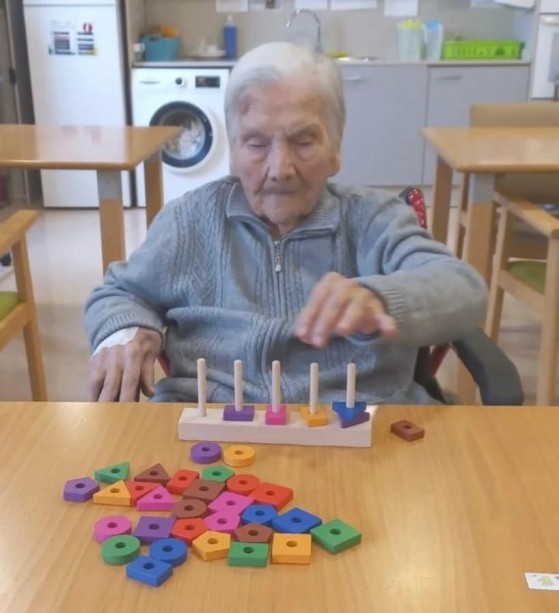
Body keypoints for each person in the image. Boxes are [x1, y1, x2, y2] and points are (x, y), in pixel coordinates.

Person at [85, 41, 487, 404]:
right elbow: (119, 292)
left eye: (304, 141)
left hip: (365, 426)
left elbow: (464, 290)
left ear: (336, 147)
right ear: (234, 151)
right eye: (256, 143)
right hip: (215, 429)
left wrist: (379, 299)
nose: (280, 169)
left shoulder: (373, 218)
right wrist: (129, 331)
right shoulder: (188, 221)